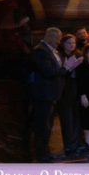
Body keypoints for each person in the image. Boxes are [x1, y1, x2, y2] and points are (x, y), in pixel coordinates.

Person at [31, 28, 83, 162]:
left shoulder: (52, 51)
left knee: (47, 126)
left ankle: (46, 152)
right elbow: (48, 72)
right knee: (42, 126)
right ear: (50, 36)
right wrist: (67, 67)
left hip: (53, 94)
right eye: (57, 38)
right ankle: (41, 154)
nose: (59, 41)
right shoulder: (40, 51)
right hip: (43, 94)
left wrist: (69, 67)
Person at [56, 34, 83, 155]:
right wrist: (71, 67)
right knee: (67, 119)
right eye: (69, 43)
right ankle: (69, 145)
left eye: (73, 43)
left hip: (76, 89)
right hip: (64, 90)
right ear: (62, 44)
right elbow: (60, 74)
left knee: (77, 117)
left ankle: (78, 142)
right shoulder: (60, 56)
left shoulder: (77, 54)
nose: (72, 45)